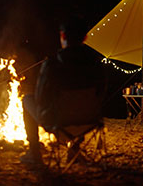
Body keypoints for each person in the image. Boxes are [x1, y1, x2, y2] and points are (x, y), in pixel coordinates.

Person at [20, 15, 106, 165]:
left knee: (27, 99)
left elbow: (40, 99)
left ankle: (34, 153)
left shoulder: (53, 64)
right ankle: (74, 150)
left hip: (59, 122)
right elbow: (101, 93)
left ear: (63, 35)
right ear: (85, 37)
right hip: (90, 121)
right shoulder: (96, 63)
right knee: (80, 104)